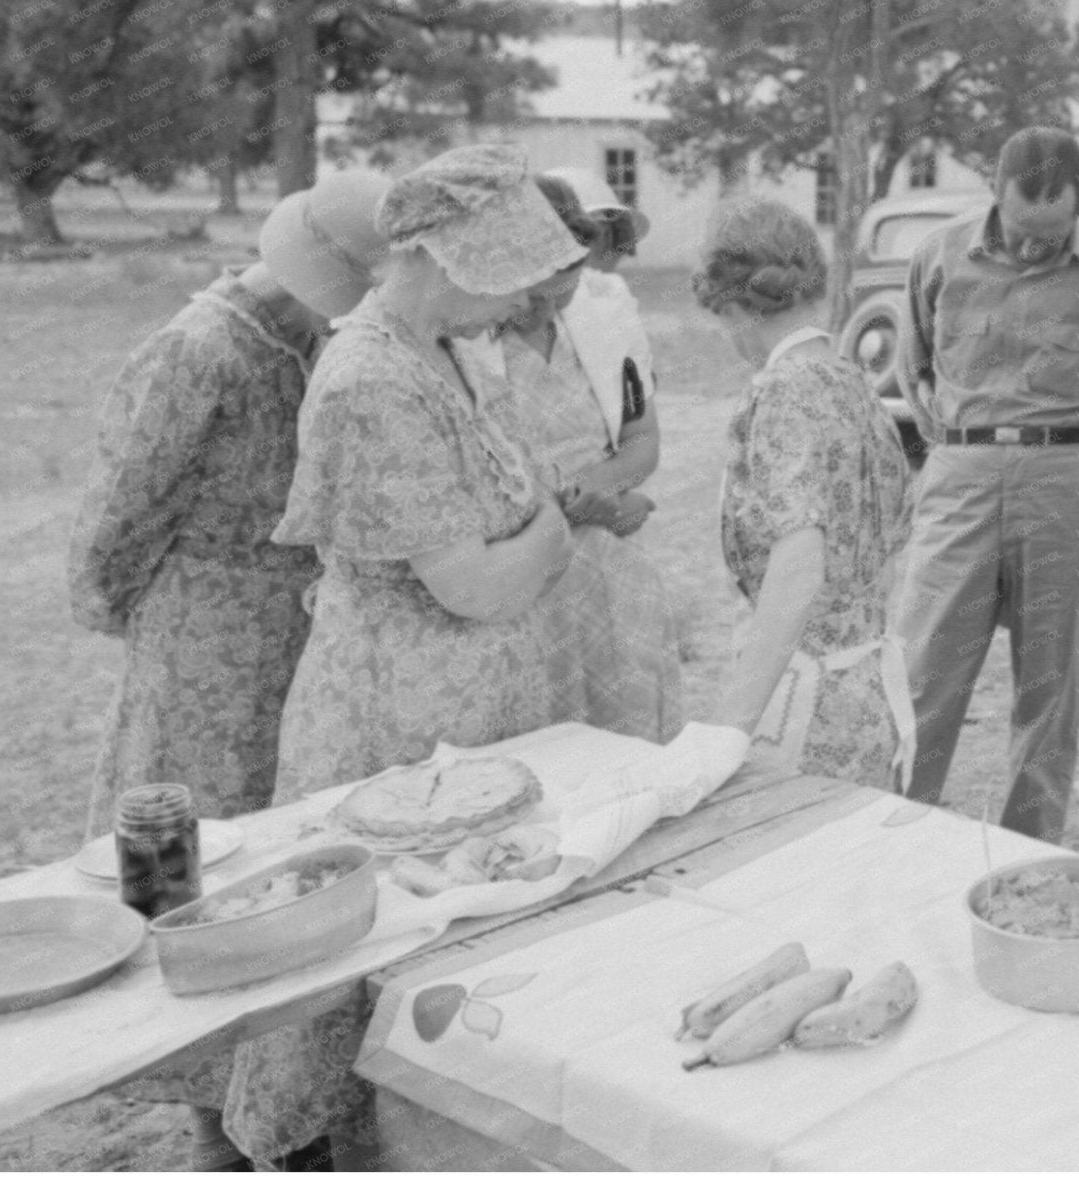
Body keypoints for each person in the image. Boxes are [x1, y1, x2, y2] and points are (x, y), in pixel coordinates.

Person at [223, 144, 586, 1169]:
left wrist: (532, 541)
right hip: (390, 728)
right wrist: (547, 541)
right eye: (509, 280)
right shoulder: (370, 380)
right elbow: (473, 585)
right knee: (359, 980)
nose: (520, 305)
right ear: (448, 258)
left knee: (445, 976)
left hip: (457, 722)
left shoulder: (445, 352)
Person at [65, 169, 388, 1172]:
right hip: (202, 636)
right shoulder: (198, 348)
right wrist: (144, 616)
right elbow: (121, 508)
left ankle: (282, 1099)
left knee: (282, 863)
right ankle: (211, 1121)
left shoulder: (308, 344)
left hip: (287, 639)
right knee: (194, 871)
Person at [893, 126, 1079, 842]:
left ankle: (1026, 852)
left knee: (1053, 687)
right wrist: (958, 443)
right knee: (922, 676)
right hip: (960, 478)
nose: (1034, 245)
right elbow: (912, 369)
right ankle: (892, 839)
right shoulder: (937, 256)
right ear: (994, 195)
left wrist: (1059, 449)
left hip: (1066, 482)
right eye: (1019, 228)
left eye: (1052, 231)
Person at [454, 166, 681, 742]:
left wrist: (597, 489)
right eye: (533, 292)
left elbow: (641, 439)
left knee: (624, 739)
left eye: (566, 286)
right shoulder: (459, 339)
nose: (544, 307)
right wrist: (558, 507)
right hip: (518, 576)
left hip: (610, 573)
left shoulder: (607, 317)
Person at [694, 197, 915, 787]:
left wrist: (724, 732)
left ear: (737, 308)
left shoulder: (782, 392)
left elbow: (797, 569)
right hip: (868, 695)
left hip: (801, 706)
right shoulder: (855, 383)